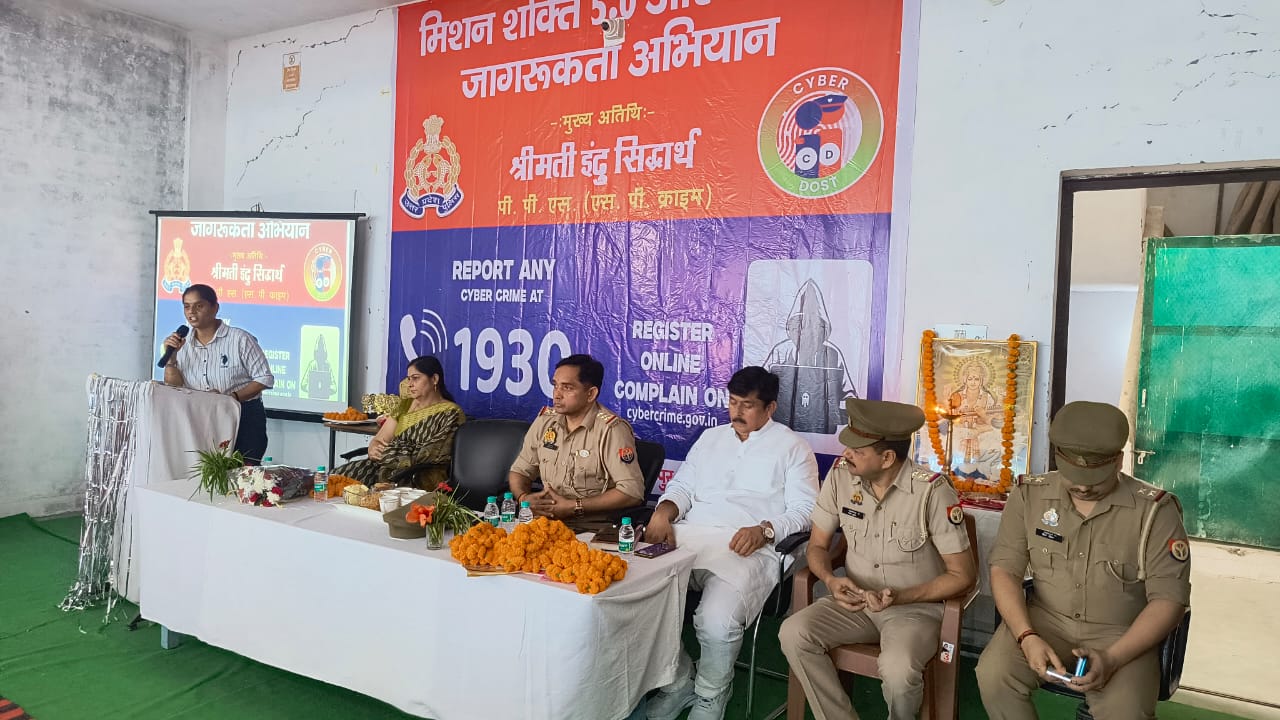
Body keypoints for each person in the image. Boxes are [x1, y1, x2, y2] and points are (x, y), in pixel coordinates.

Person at [976, 401, 1191, 720]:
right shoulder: (1029, 495)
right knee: (994, 675)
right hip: (1045, 622)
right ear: (1057, 458)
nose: (1082, 486)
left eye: (1095, 478)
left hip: (1123, 634)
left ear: (1118, 461)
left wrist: (1114, 658)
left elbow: (1169, 601)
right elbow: (1005, 570)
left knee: (1126, 710)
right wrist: (1026, 636)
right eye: (1072, 475)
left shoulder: (1156, 512)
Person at [778, 398, 975, 720]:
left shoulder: (931, 492)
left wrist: (902, 596)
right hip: (854, 603)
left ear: (887, 458)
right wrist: (830, 580)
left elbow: (962, 575)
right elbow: (817, 547)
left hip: (913, 611)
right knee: (793, 633)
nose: (847, 454)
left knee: (898, 669)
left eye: (858, 450)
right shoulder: (841, 477)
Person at [646, 367, 819, 720]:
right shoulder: (711, 438)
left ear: (770, 408)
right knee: (638, 601)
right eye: (733, 402)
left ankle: (712, 694)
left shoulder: (793, 447)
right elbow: (682, 486)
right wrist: (664, 511)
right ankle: (679, 681)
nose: (737, 412)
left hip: (749, 548)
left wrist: (766, 529)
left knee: (715, 620)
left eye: (748, 405)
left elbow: (806, 511)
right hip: (688, 536)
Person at [508, 354, 646, 529]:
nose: (557, 395)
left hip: (590, 529)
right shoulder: (545, 421)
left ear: (591, 394)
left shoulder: (611, 430)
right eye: (555, 385)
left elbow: (632, 492)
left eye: (567, 388)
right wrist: (524, 498)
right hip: (544, 524)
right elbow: (520, 471)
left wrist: (575, 506)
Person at [162, 284, 274, 464]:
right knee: (205, 474)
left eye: (199, 306)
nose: (192, 312)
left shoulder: (239, 339)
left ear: (215, 308)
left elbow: (264, 378)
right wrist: (171, 359)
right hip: (200, 418)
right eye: (187, 306)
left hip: (243, 417)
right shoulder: (181, 343)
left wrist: (229, 398)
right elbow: (174, 386)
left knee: (242, 474)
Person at [334, 355, 464, 490]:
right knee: (336, 478)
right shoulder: (405, 405)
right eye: (409, 379)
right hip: (384, 465)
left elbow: (428, 454)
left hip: (419, 475)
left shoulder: (451, 413)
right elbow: (379, 440)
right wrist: (373, 449)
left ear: (434, 379)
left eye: (416, 378)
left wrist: (387, 453)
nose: (410, 384)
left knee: (365, 491)